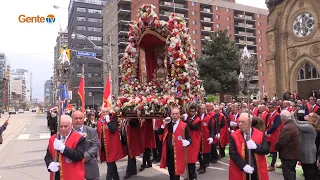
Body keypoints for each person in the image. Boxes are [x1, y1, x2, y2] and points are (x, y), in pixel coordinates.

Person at [44, 115, 86, 180]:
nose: (63, 129)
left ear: (71, 125)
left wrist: (63, 148)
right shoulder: (52, 139)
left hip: (73, 175)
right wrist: (50, 164)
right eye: (61, 126)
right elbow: (48, 155)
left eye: (65, 126)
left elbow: (79, 156)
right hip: (57, 176)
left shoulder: (79, 138)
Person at [229, 113, 269, 180]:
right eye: (239, 121)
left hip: (256, 169)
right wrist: (243, 166)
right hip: (241, 169)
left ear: (250, 122)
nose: (240, 124)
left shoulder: (260, 134)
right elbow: (232, 153)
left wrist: (256, 147)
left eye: (243, 122)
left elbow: (266, 150)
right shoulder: (234, 135)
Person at [158, 107, 192, 180]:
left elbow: (189, 138)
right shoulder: (168, 124)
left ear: (179, 114)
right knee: (171, 171)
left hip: (178, 152)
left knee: (177, 171)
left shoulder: (184, 125)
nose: (175, 115)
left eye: (176, 114)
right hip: (169, 151)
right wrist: (164, 124)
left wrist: (188, 142)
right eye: (173, 114)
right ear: (170, 115)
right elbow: (158, 132)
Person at [97, 108, 124, 180]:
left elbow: (113, 130)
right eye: (104, 112)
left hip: (112, 147)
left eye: (107, 112)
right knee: (110, 164)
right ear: (101, 113)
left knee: (111, 163)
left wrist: (108, 121)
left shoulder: (113, 120)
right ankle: (116, 178)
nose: (105, 113)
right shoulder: (100, 121)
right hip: (104, 147)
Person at [72, 111, 100, 180]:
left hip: (89, 164)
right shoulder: (68, 132)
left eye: (80, 118)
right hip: (73, 165)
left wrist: (85, 156)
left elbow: (96, 144)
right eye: (76, 118)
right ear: (72, 119)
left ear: (83, 119)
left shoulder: (91, 131)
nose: (78, 120)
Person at [275, 110, 300, 180]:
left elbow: (281, 142)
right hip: (292, 154)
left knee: (288, 174)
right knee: (291, 173)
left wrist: (276, 147)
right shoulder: (292, 125)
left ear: (282, 118)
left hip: (288, 154)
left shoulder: (287, 128)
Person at [293, 111, 319, 180]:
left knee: (308, 168)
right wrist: (294, 115)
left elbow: (297, 125)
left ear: (312, 119)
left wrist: (292, 116)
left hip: (309, 149)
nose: (307, 115)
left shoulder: (309, 127)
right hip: (306, 148)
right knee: (305, 167)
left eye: (309, 116)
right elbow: (297, 122)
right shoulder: (308, 124)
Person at [265, 102, 282, 171]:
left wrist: (268, 131)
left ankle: (272, 165)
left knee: (275, 150)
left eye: (270, 107)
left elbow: (275, 126)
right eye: (268, 107)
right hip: (272, 134)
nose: (269, 109)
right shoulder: (270, 115)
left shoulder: (277, 115)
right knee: (273, 149)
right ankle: (274, 164)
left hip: (276, 134)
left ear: (274, 107)